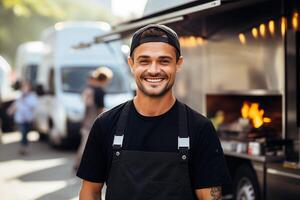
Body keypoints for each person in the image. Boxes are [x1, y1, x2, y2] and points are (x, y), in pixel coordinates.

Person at [77, 24, 231, 200]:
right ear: (131, 64)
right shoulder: (105, 125)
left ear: (178, 64)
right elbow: (89, 192)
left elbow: (211, 197)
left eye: (164, 61)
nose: (154, 70)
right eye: (144, 61)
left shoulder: (199, 128)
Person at [74, 66, 113, 170]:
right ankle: (81, 166)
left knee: (84, 143)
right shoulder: (100, 91)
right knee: (87, 145)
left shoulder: (89, 88)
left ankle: (78, 164)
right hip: (94, 122)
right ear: (104, 79)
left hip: (86, 120)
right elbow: (100, 109)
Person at [7, 81, 37, 155]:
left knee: (25, 133)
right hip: (20, 119)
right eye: (24, 87)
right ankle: (24, 148)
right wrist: (10, 111)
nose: (25, 89)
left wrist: (25, 101)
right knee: (23, 132)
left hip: (28, 118)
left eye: (26, 87)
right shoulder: (19, 95)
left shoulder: (32, 96)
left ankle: (24, 147)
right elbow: (15, 105)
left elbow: (34, 107)